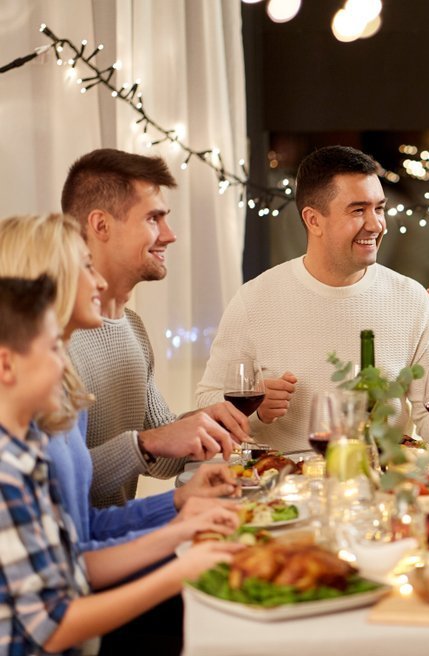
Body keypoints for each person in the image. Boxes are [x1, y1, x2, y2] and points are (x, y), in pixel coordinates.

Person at [0, 274, 242, 655]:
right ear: (7, 366)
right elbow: (53, 628)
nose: (67, 365)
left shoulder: (28, 452)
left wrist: (182, 529)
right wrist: (178, 571)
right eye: (54, 349)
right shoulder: (7, 471)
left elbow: (76, 561)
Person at [196, 145, 429, 452]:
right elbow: (209, 400)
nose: (376, 224)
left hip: (382, 485)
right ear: (314, 221)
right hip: (282, 487)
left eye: (379, 208)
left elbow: (427, 417)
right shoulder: (254, 300)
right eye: (358, 210)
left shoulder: (412, 300)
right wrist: (257, 409)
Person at [0, 213, 240, 552]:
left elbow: (84, 528)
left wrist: (180, 499)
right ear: (48, 279)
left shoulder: (67, 384)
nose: (99, 282)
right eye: (153, 219)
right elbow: (72, 570)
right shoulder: (25, 402)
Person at [62, 148, 251, 508]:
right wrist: (150, 442)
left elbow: (163, 458)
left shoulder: (132, 327)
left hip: (119, 536)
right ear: (100, 225)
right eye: (153, 219)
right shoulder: (52, 337)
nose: (170, 235)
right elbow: (55, 480)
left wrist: (209, 421)